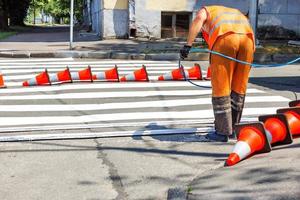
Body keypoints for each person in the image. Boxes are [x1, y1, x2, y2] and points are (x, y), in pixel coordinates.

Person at [180, 5, 255, 142]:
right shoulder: (234, 11)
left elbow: (199, 19)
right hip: (248, 40)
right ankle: (233, 129)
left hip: (225, 39)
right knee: (239, 86)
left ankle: (222, 132)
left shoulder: (205, 10)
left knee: (221, 85)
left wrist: (188, 45)